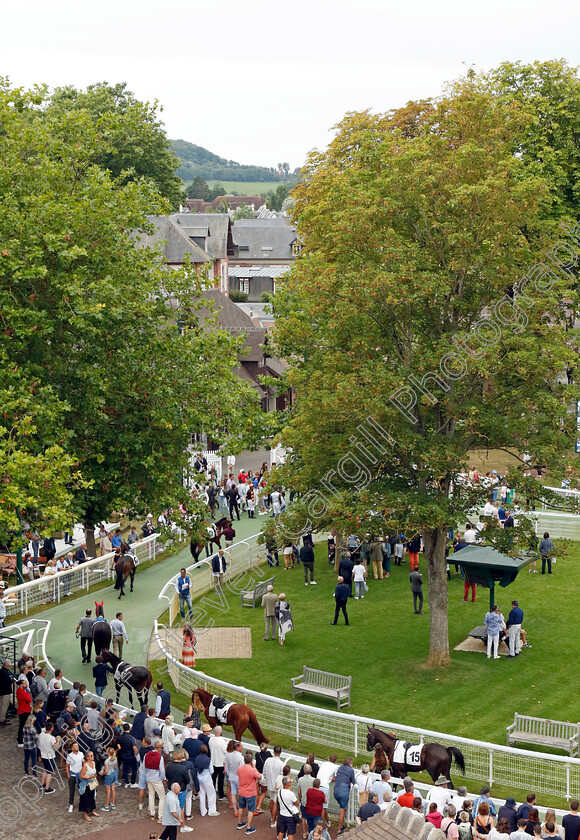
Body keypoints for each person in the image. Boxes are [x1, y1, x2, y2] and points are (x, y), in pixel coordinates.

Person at [237, 752, 265, 834]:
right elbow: (259, 777)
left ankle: (239, 823)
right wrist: (254, 767)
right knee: (250, 810)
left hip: (241, 792)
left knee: (241, 808)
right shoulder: (252, 770)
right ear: (251, 761)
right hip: (250, 793)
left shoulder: (239, 768)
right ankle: (248, 828)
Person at [195, 743, 220, 816]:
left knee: (202, 794)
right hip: (207, 779)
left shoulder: (197, 758)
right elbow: (211, 771)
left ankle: (203, 811)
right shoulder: (208, 760)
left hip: (199, 778)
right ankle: (211, 810)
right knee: (211, 794)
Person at [145, 740, 167, 821]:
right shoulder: (159, 757)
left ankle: (152, 813)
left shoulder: (147, 755)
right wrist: (164, 779)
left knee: (151, 795)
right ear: (160, 747)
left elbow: (144, 767)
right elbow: (161, 770)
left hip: (148, 778)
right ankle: (160, 815)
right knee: (162, 797)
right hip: (156, 779)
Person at [264, 745, 285, 827]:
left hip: (270, 784)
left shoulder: (268, 760)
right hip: (277, 787)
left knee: (272, 801)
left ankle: (272, 817)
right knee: (275, 803)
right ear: (280, 752)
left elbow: (264, 772)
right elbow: (282, 777)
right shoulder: (281, 764)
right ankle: (273, 820)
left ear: (273, 752)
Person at [333, 757, 355, 834]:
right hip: (344, 792)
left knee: (343, 808)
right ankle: (339, 829)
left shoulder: (339, 768)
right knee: (342, 810)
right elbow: (353, 781)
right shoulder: (351, 770)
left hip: (336, 791)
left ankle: (341, 825)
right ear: (350, 764)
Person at [78, 749, 100, 822]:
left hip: (92, 784)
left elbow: (94, 772)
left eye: (93, 755)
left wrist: (95, 778)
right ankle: (85, 814)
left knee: (92, 798)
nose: (93, 757)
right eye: (91, 756)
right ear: (87, 757)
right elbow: (81, 775)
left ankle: (92, 810)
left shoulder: (93, 763)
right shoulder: (85, 765)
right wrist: (88, 777)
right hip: (86, 785)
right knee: (85, 799)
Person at [277, 775, 300, 840]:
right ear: (288, 783)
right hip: (290, 816)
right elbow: (297, 803)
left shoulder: (279, 791)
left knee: (281, 831)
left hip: (282, 814)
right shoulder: (291, 794)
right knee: (290, 833)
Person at [99, 745, 118, 812]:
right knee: (113, 789)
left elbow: (106, 771)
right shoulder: (115, 758)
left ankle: (106, 806)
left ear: (108, 753)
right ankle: (113, 804)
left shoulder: (107, 761)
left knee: (108, 791)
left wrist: (102, 774)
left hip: (108, 775)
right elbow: (115, 767)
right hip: (113, 773)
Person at [16, 675, 31, 745]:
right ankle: (20, 740)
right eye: (25, 683)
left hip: (24, 710)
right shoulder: (22, 692)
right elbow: (29, 699)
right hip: (24, 710)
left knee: (22, 725)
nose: (26, 684)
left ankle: (21, 738)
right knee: (22, 726)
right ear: (21, 685)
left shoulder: (20, 691)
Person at [22, 713, 38, 777]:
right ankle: (34, 774)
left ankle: (26, 772)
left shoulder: (24, 727)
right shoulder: (32, 728)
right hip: (32, 746)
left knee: (26, 759)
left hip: (26, 746)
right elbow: (35, 738)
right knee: (33, 760)